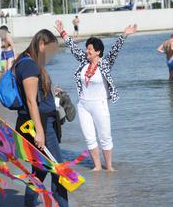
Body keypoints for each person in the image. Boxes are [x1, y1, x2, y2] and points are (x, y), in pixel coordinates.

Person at [55, 20, 137, 172]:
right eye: (87, 49)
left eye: (90, 49)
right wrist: (63, 33)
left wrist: (124, 34)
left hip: (100, 104)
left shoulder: (105, 63)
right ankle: (97, 166)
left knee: (105, 136)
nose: (87, 51)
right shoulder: (83, 62)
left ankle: (110, 167)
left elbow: (114, 50)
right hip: (83, 105)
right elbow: (73, 48)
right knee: (89, 137)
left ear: (98, 52)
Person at [14, 29, 69, 207]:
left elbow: (34, 95)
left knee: (40, 170)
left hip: (42, 123)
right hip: (41, 126)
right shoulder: (29, 65)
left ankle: (28, 203)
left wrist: (51, 93)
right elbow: (30, 101)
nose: (51, 55)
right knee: (58, 171)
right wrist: (40, 132)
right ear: (41, 44)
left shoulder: (28, 63)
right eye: (51, 50)